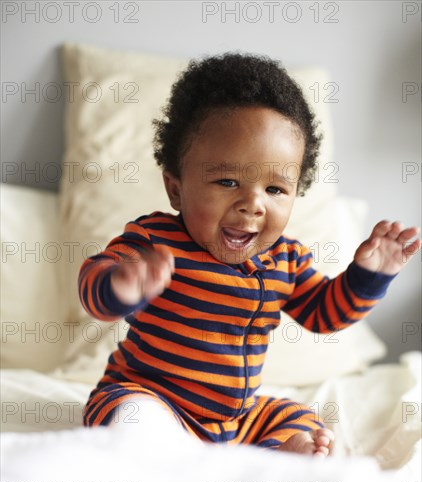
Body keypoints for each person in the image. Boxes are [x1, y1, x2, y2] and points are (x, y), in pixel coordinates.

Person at [79, 52, 420, 457]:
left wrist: (368, 275)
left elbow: (325, 314)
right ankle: (160, 449)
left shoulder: (286, 259)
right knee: (128, 410)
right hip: (152, 395)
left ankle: (289, 448)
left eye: (275, 190)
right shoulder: (156, 240)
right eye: (227, 180)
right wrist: (121, 282)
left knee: (297, 414)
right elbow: (93, 288)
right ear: (176, 189)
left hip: (234, 419)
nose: (253, 204)